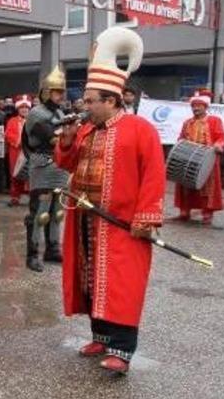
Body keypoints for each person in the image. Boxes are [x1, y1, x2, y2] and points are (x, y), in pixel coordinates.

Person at [55, 26, 165, 374]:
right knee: (92, 282)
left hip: (122, 224)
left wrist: (146, 217)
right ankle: (100, 337)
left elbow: (154, 176)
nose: (85, 106)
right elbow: (67, 164)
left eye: (91, 101)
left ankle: (122, 350)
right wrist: (67, 141)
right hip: (86, 220)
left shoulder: (141, 130)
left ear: (112, 101)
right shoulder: (86, 130)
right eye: (85, 101)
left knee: (121, 285)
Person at [23, 65, 70, 272]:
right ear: (46, 92)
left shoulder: (60, 112)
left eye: (62, 91)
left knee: (57, 211)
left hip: (59, 166)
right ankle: (32, 255)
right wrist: (67, 132)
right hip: (42, 165)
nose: (61, 95)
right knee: (40, 213)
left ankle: (53, 249)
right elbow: (51, 137)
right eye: (57, 91)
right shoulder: (36, 113)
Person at [174, 89, 224, 225]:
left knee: (207, 187)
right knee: (185, 185)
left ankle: (207, 212)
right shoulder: (187, 122)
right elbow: (181, 137)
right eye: (193, 106)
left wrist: (218, 145)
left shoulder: (214, 121)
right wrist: (180, 145)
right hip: (189, 158)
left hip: (207, 159)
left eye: (199, 106)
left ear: (205, 106)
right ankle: (185, 211)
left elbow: (221, 136)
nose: (195, 108)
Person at [5, 95, 31, 207]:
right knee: (15, 174)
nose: (24, 109)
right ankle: (15, 196)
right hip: (16, 151)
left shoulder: (33, 120)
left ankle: (32, 196)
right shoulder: (12, 121)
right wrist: (18, 141)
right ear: (18, 109)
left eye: (26, 107)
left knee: (31, 174)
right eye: (22, 107)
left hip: (30, 151)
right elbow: (8, 134)